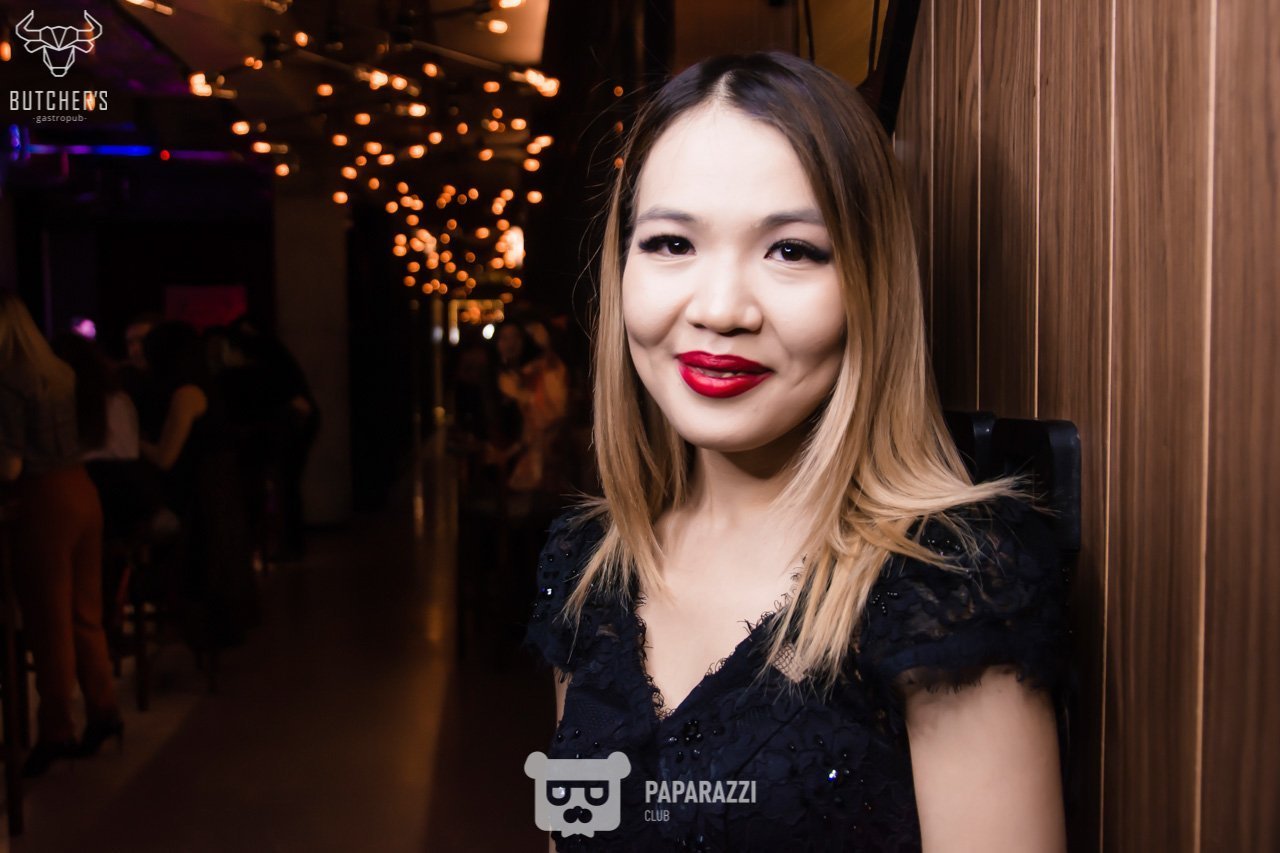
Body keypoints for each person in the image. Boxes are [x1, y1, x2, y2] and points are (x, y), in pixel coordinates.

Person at [524, 53, 1068, 851]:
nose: (720, 309)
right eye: (671, 242)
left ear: (870, 285)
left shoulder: (947, 584)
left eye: (791, 251)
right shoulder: (587, 566)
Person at [0, 293, 122, 777]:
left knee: (48, 620)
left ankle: (56, 730)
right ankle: (104, 711)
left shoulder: (8, 378)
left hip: (43, 500)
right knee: (85, 615)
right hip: (82, 491)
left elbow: (10, 466)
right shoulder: (60, 372)